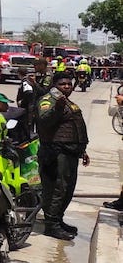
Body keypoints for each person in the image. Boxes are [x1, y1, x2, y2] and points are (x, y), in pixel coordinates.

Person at [36, 71, 90, 239]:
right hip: (56, 152)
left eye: (68, 84)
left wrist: (82, 150)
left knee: (67, 189)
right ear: (54, 85)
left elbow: (75, 128)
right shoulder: (48, 101)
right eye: (62, 84)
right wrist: (57, 109)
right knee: (57, 189)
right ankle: (51, 225)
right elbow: (44, 122)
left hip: (71, 152)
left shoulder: (68, 103)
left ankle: (58, 220)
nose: (66, 86)